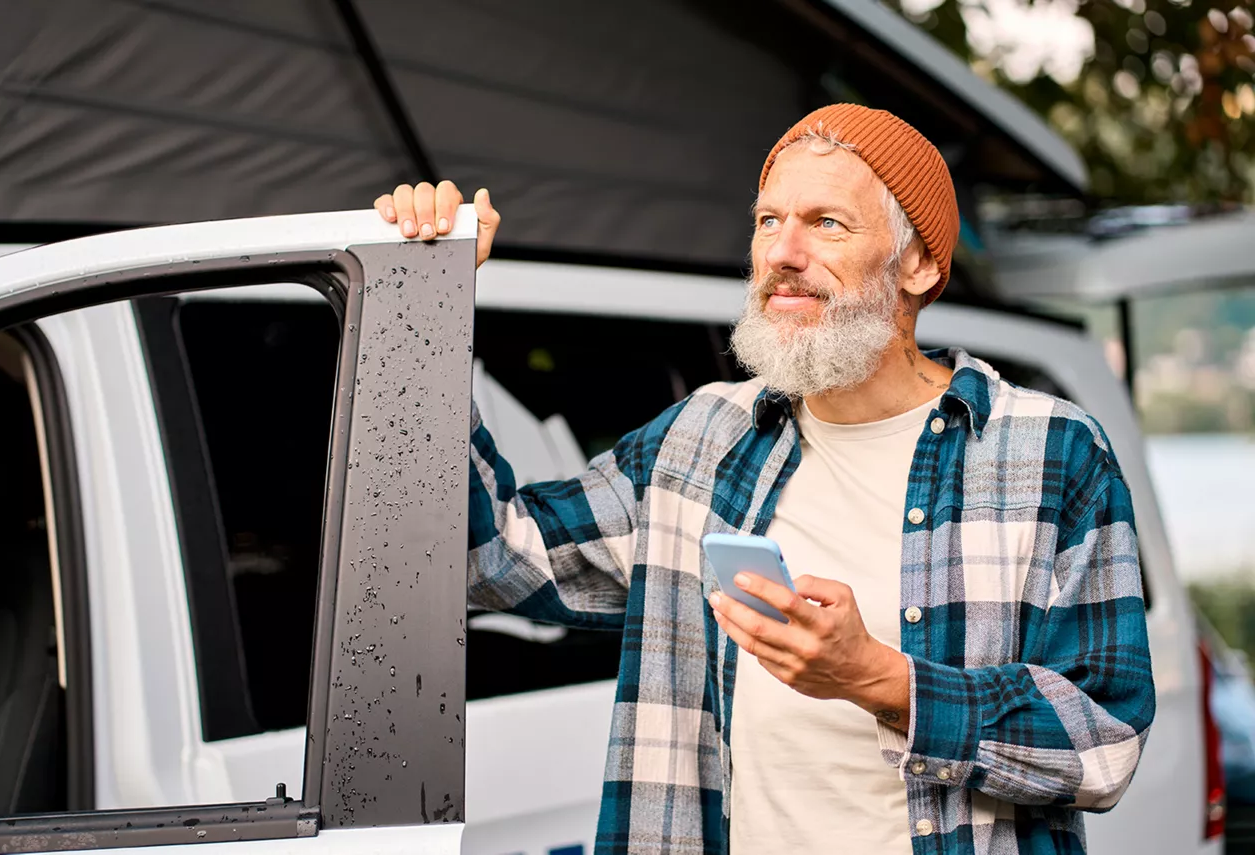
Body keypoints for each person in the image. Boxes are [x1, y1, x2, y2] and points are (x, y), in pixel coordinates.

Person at [373, 103, 1154, 855]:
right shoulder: (702, 437)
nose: (781, 251)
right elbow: (495, 558)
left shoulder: (1048, 451)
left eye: (825, 222)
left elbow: (1104, 740)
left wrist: (879, 678)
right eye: (768, 220)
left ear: (917, 264)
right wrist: (426, 309)